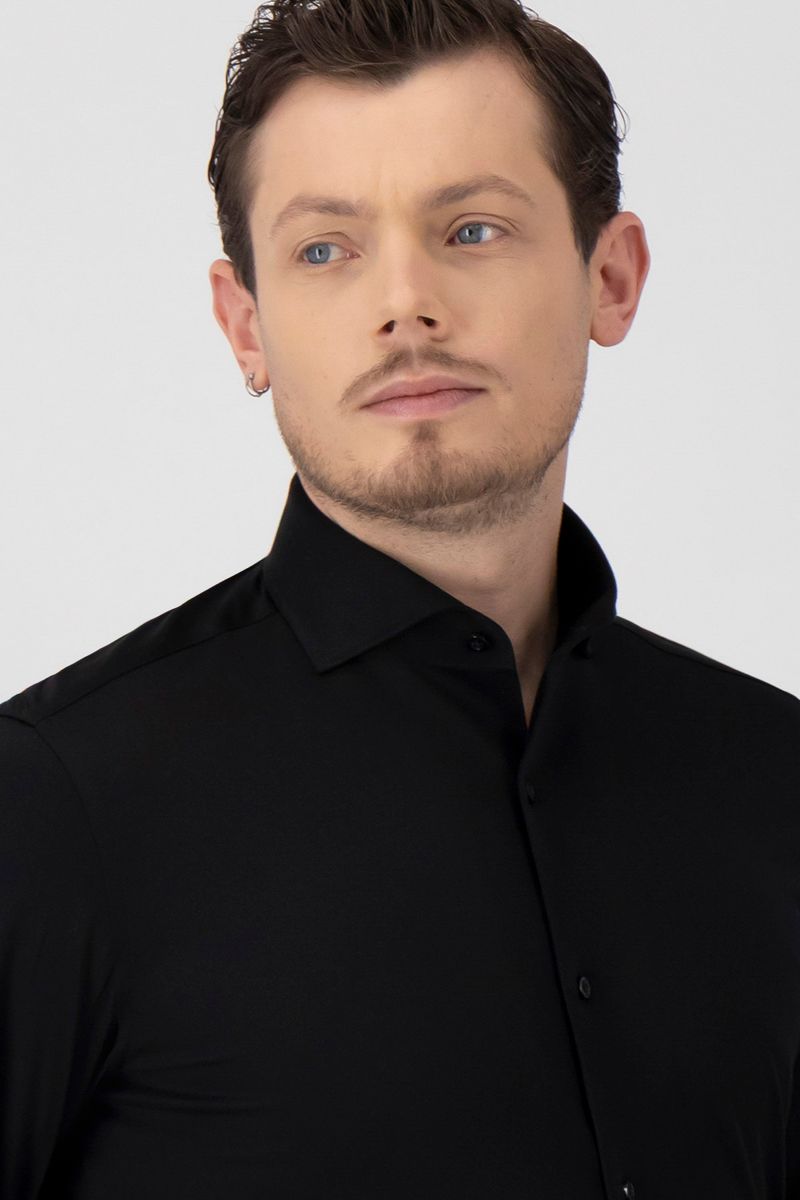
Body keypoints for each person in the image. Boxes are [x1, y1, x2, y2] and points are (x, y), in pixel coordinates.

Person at [1, 0, 798, 1196]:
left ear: (610, 278)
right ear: (245, 325)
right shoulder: (52, 806)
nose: (404, 305)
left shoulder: (773, 778)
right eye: (325, 250)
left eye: (471, 229)